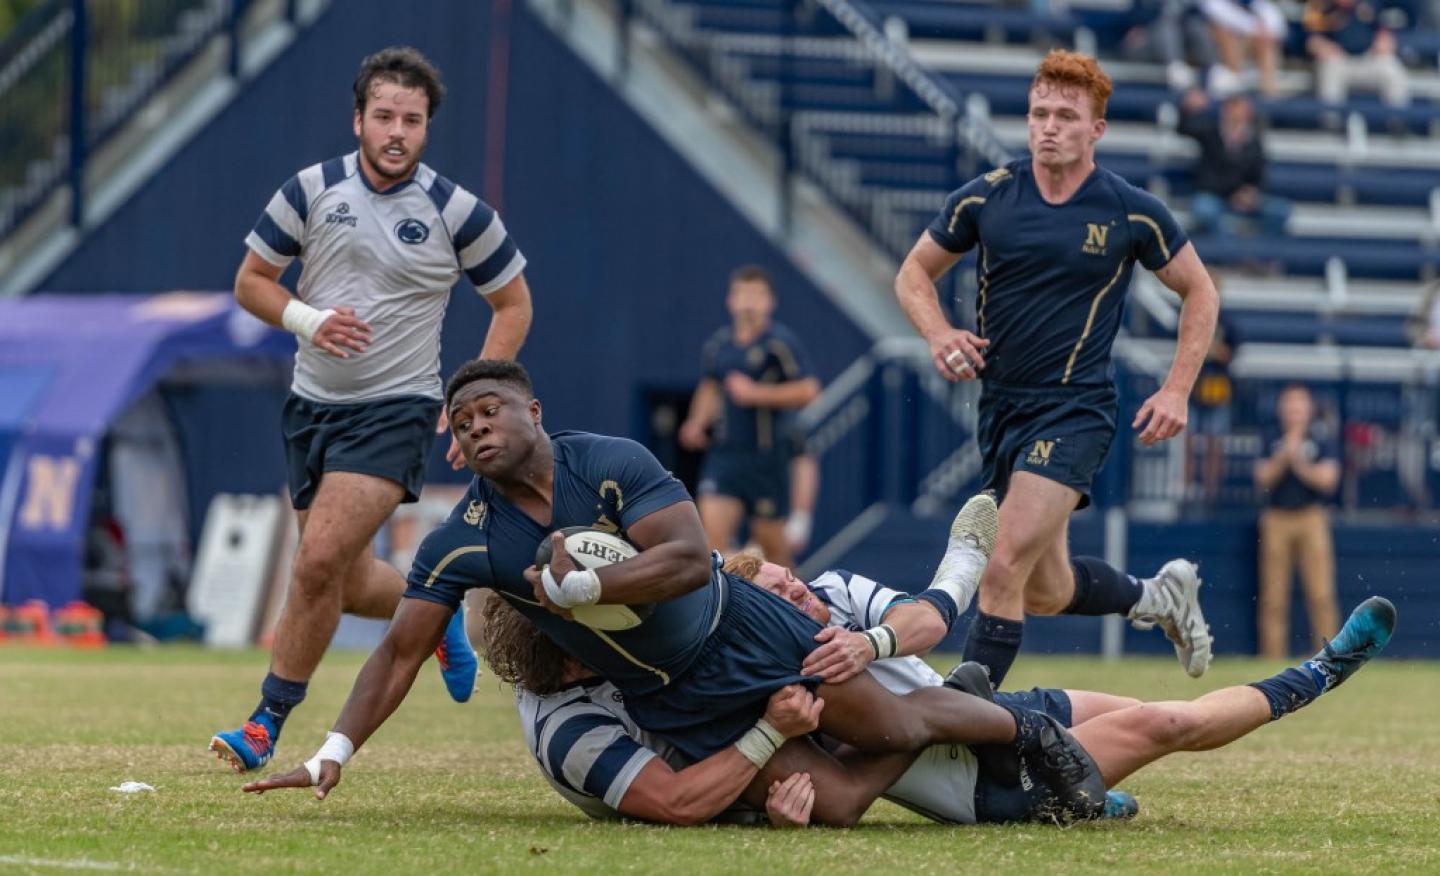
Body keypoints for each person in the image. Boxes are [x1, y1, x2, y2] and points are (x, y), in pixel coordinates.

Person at [238, 359, 1113, 822]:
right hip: (673, 695)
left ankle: (1027, 730)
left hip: (741, 624)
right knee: (841, 804)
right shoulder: (465, 539)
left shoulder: (612, 461)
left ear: (533, 413)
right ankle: (999, 742)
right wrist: (335, 751)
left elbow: (692, 561)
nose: (475, 430)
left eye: (490, 411)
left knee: (894, 723)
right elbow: (397, 651)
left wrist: (586, 585)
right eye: (462, 426)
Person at [482, 555, 1395, 827]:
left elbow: (926, 623)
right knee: (1168, 718)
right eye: (775, 599)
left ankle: (1309, 671)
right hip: (978, 777)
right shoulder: (755, 682)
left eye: (788, 585)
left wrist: (886, 636)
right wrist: (780, 786)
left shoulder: (829, 596)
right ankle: (1320, 672)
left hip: (981, 711)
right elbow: (816, 787)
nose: (795, 597)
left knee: (1145, 718)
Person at [211, 47, 534, 772]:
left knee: (316, 559)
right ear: (358, 119)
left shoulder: (457, 212)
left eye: (411, 120)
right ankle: (437, 610)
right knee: (345, 580)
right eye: (384, 115)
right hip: (313, 406)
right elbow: (251, 281)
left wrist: (476, 398)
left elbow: (513, 302)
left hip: (399, 409)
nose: (396, 130)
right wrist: (308, 320)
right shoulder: (310, 190)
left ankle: (265, 722)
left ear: (426, 129)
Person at [892, 50, 1221, 688]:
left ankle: (963, 726)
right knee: (1044, 590)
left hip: (1076, 410)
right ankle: (1160, 598)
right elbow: (912, 274)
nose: (1048, 126)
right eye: (1039, 112)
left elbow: (1200, 292)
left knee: (1002, 563)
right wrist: (938, 332)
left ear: (1096, 129)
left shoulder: (1130, 209)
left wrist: (1178, 389)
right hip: (1001, 409)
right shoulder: (988, 196)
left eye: (1066, 116)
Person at [679, 266, 821, 568]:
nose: (748, 302)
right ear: (730, 300)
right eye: (742, 294)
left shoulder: (780, 344)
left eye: (756, 295)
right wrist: (696, 421)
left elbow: (809, 389)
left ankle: (797, 608)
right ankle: (726, 609)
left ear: (771, 301)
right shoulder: (719, 344)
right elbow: (710, 387)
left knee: (773, 551)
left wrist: (756, 393)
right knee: (712, 543)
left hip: (766, 460)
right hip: (725, 456)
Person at [1253, 384, 1341, 659]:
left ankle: (1329, 659)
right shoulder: (1270, 437)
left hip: (1312, 517)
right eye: (1289, 406)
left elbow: (1329, 479)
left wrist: (1299, 462)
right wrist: (1284, 456)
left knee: (1321, 594)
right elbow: (1262, 478)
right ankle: (1272, 658)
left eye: (1299, 406)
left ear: (1309, 410)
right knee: (1273, 596)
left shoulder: (1322, 438)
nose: (1294, 412)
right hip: (1276, 518)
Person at [1178, 89, 1290, 238]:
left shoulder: (1253, 142)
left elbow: (1258, 174)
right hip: (1213, 195)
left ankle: (1258, 254)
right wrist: (1187, 108)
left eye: (1240, 108)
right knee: (1203, 209)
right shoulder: (1209, 132)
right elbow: (1184, 128)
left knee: (1280, 210)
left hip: (1242, 197)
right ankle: (1229, 252)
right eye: (1232, 108)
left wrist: (1250, 193)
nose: (1235, 113)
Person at [1304, 0, 1411, 113]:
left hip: (1369, 56)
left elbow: (1383, 30)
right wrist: (1318, 44)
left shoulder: (1370, 5)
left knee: (1392, 68)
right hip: (1337, 59)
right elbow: (1310, 38)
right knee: (1330, 70)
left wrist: (1384, 38)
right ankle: (1331, 124)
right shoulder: (1320, 7)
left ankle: (1397, 121)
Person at [1200, 0, 1284, 96]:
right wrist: (1256, 28)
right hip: (1211, 41)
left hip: (1247, 37)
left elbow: (1276, 23)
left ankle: (1268, 91)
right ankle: (1233, 75)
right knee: (1222, 30)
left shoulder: (1253, 3)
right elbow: (1218, 12)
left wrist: (1264, 31)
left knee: (1266, 42)